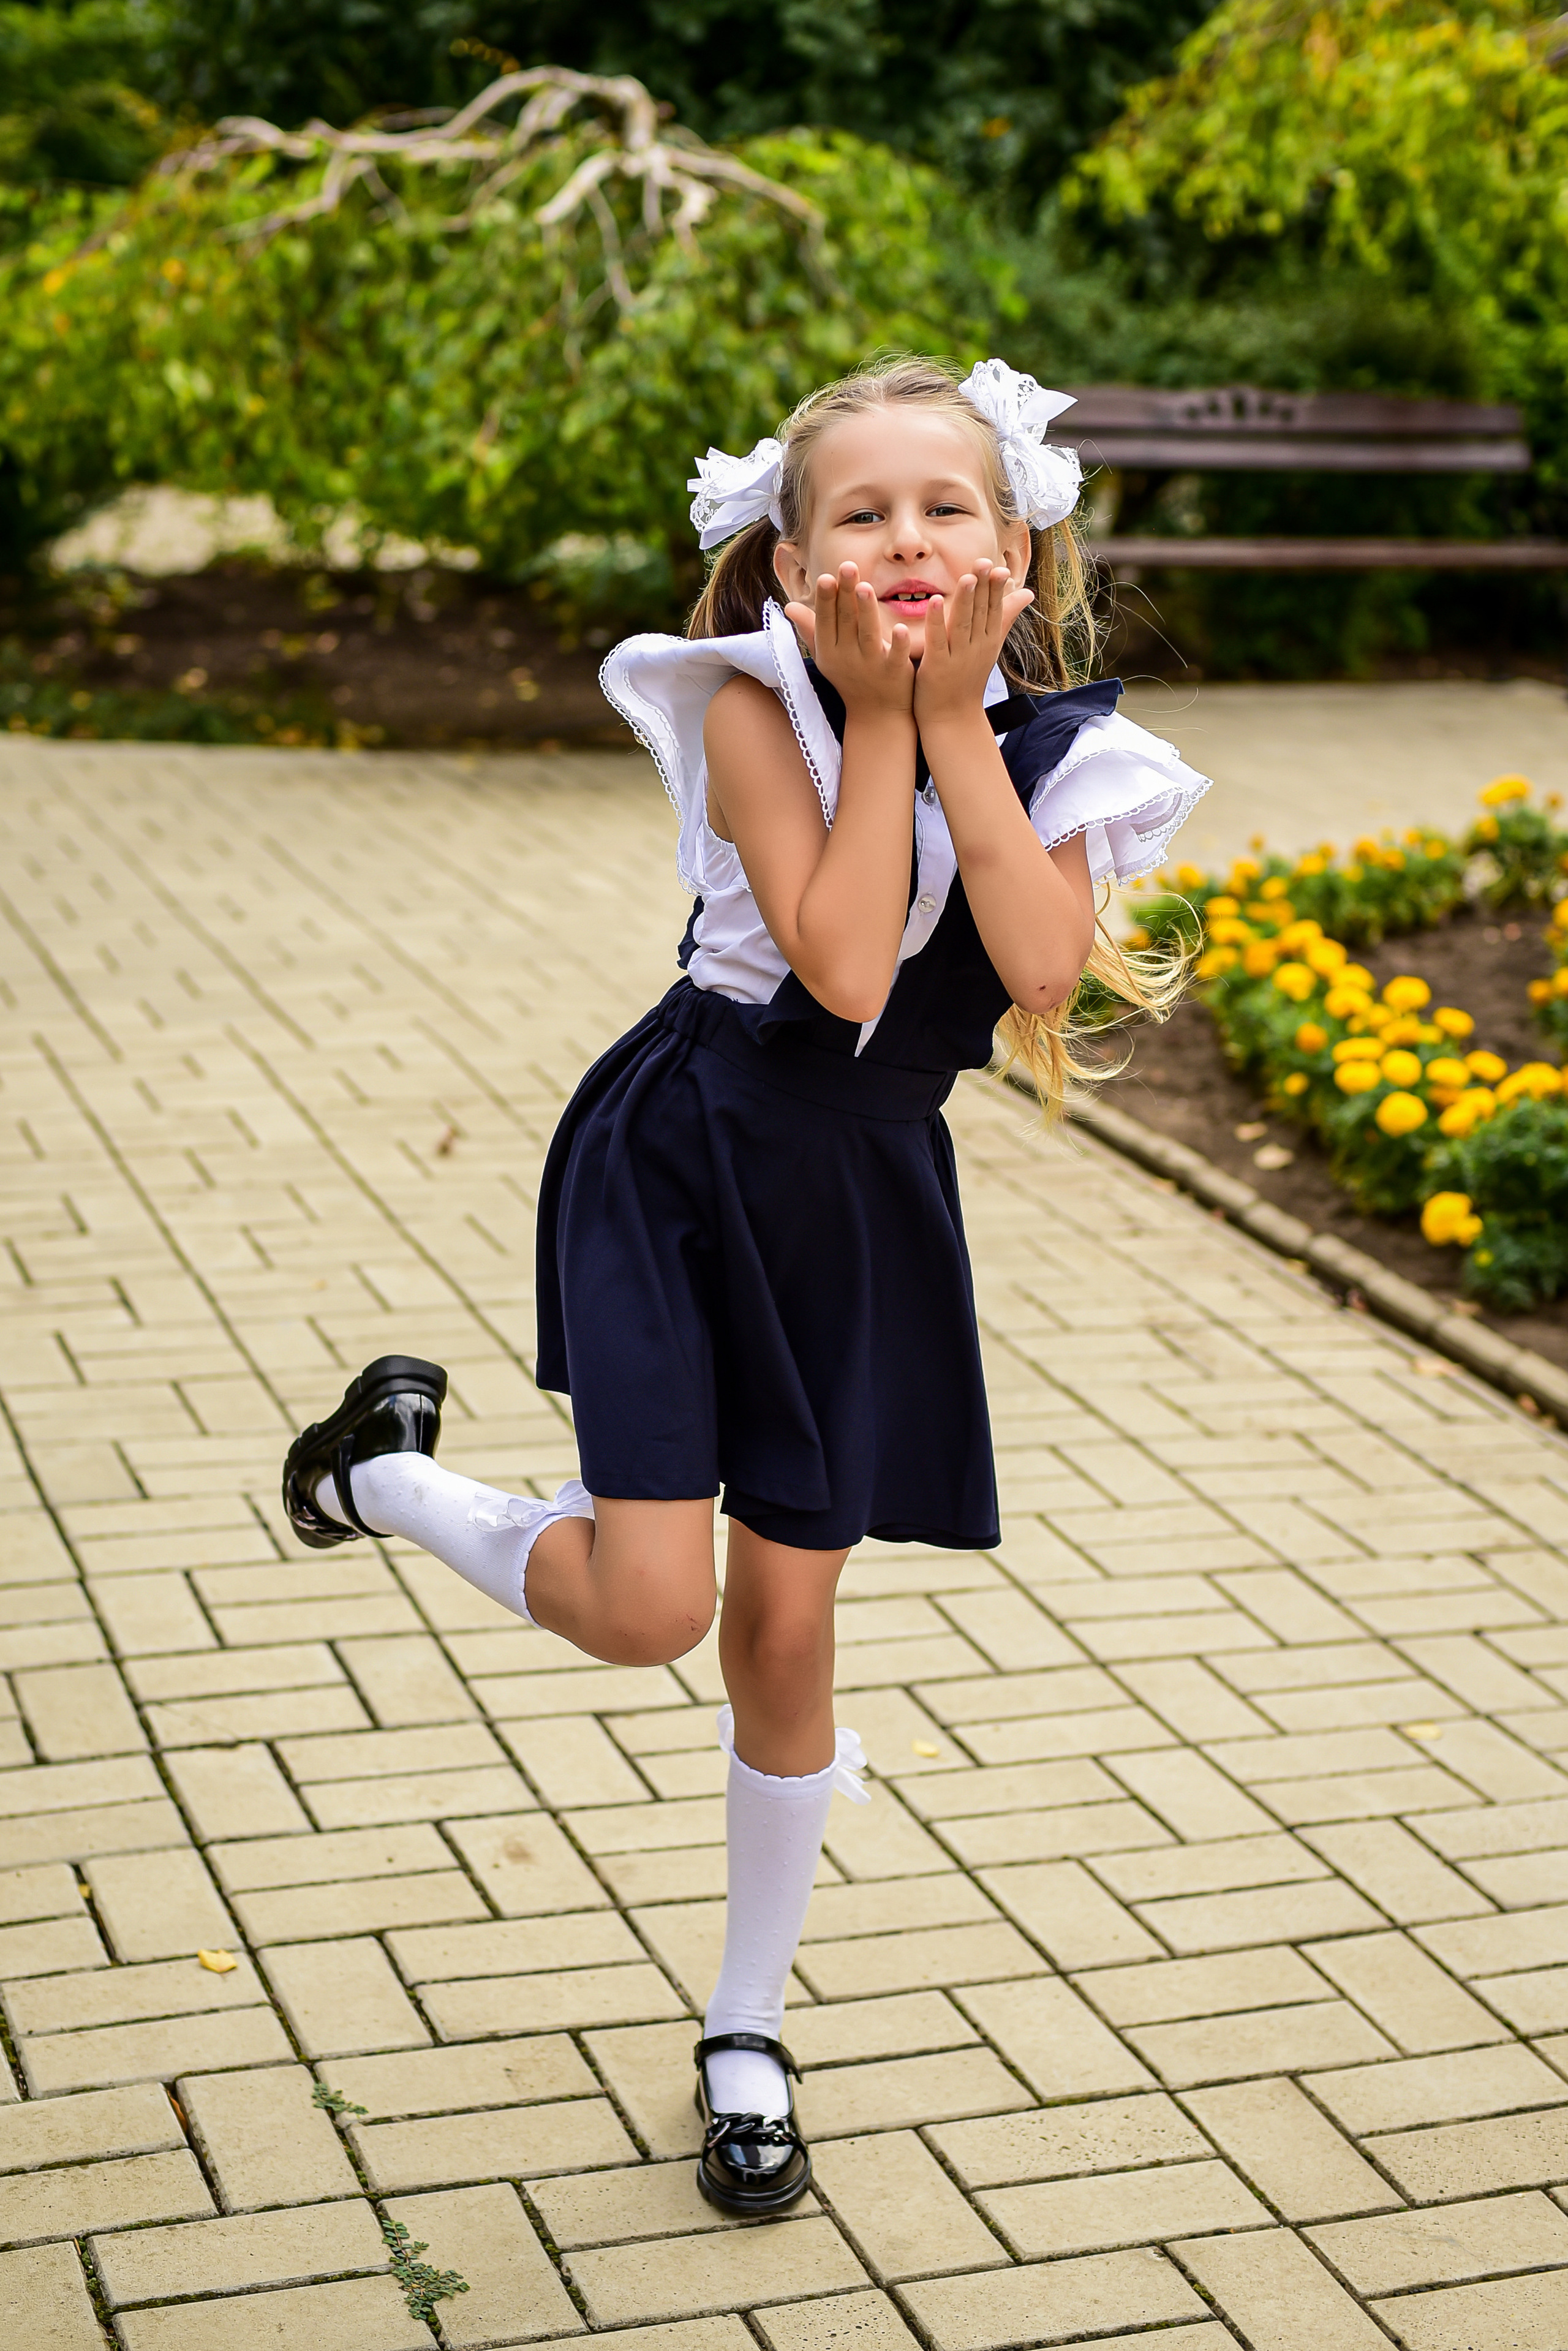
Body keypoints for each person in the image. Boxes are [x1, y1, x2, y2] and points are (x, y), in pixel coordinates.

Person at [282, 355, 1208, 2217]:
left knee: (782, 1637)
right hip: (686, 1162)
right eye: (859, 516)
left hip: (860, 1210)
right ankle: (386, 1473)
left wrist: (956, 726)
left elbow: (1037, 974)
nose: (907, 541)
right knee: (647, 1613)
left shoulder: (1084, 754)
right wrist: (881, 718)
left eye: (946, 509)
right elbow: (850, 970)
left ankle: (745, 2026)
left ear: (1020, 546)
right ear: (794, 569)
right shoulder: (745, 706)